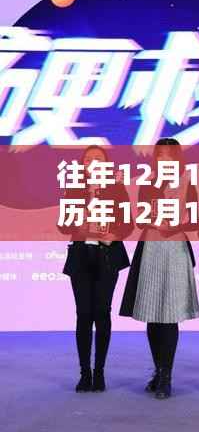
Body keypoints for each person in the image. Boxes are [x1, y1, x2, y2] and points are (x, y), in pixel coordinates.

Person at [119, 138, 199, 400]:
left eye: (169, 155)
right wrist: (156, 220)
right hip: (152, 247)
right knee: (153, 313)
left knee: (170, 314)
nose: (164, 159)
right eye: (160, 155)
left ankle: (167, 376)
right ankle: (158, 370)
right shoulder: (148, 182)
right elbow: (141, 216)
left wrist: (175, 223)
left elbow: (194, 218)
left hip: (175, 248)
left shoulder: (187, 182)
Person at [60, 145, 133, 392]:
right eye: (88, 159)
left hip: (107, 257)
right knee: (83, 314)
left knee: (102, 313)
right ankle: (85, 373)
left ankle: (99, 372)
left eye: (98, 159)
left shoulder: (116, 188)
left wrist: (113, 235)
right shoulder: (74, 188)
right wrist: (79, 224)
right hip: (81, 257)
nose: (93, 162)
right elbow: (63, 225)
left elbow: (128, 224)